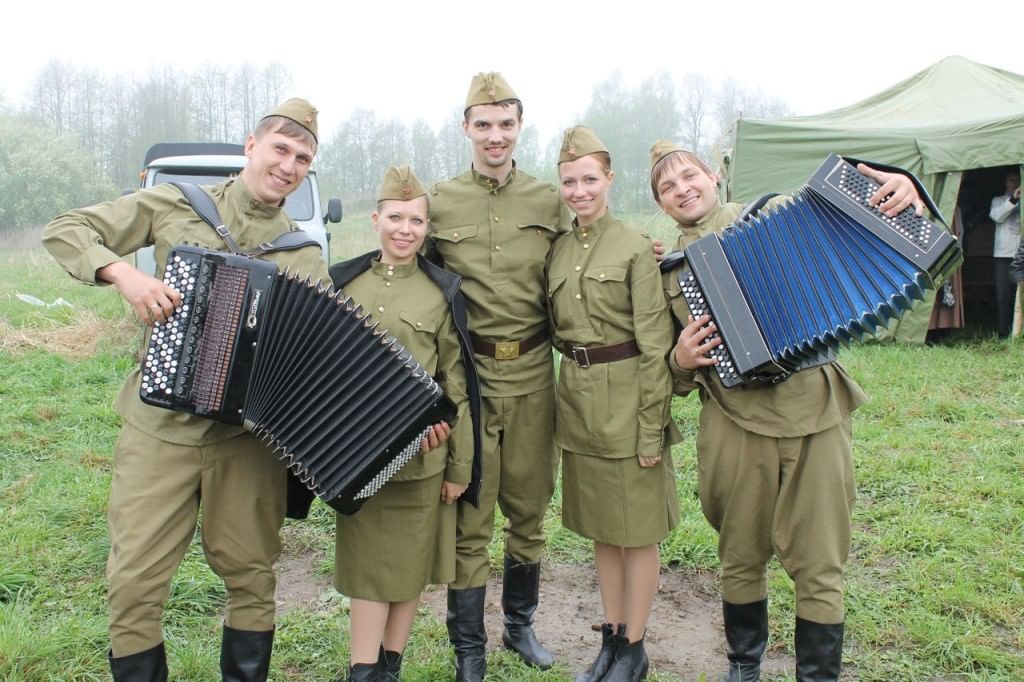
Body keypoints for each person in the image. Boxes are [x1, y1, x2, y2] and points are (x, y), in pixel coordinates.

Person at [42, 98, 329, 681]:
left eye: (303, 158)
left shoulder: (303, 253)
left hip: (245, 443)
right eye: (281, 149)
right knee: (134, 580)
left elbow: (314, 352)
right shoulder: (178, 204)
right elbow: (67, 229)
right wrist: (124, 273)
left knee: (252, 576)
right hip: (160, 429)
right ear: (251, 146)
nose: (289, 165)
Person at [651, 140, 925, 682]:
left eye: (689, 176)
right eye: (667, 187)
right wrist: (681, 360)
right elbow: (669, 374)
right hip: (732, 422)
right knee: (740, 555)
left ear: (713, 176)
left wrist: (903, 191)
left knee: (821, 563)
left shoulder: (774, 213)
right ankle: (743, 667)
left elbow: (863, 215)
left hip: (816, 410)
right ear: (661, 204)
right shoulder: (663, 274)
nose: (682, 189)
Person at [426, 71, 567, 680]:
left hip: (535, 372)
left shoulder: (548, 200)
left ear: (518, 127)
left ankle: (519, 626)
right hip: (472, 380)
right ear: (465, 128)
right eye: (482, 125)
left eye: (505, 124)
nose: (494, 136)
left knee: (530, 509)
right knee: (470, 514)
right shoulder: (439, 203)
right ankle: (468, 648)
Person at [327, 166, 482, 682]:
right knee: (370, 570)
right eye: (395, 217)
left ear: (427, 228)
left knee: (410, 566)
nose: (404, 229)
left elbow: (455, 384)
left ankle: (389, 668)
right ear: (376, 219)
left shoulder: (442, 293)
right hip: (356, 459)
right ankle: (362, 669)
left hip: (421, 458)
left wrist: (459, 465)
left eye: (416, 220)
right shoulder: (342, 281)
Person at [548, 127, 680, 682]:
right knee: (604, 529)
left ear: (609, 178)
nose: (579, 191)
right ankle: (611, 636)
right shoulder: (557, 249)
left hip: (628, 403)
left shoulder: (632, 246)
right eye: (570, 182)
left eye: (589, 179)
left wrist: (651, 428)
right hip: (577, 404)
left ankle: (636, 647)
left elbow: (655, 345)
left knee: (638, 531)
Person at [989, 170, 1021, 337]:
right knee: (1003, 295)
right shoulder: (998, 200)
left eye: (1017, 180)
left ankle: (1018, 332)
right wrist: (1014, 199)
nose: (1014, 183)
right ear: (1005, 182)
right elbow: (997, 216)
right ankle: (1003, 331)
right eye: (1011, 179)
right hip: (1003, 255)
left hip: (1020, 254)